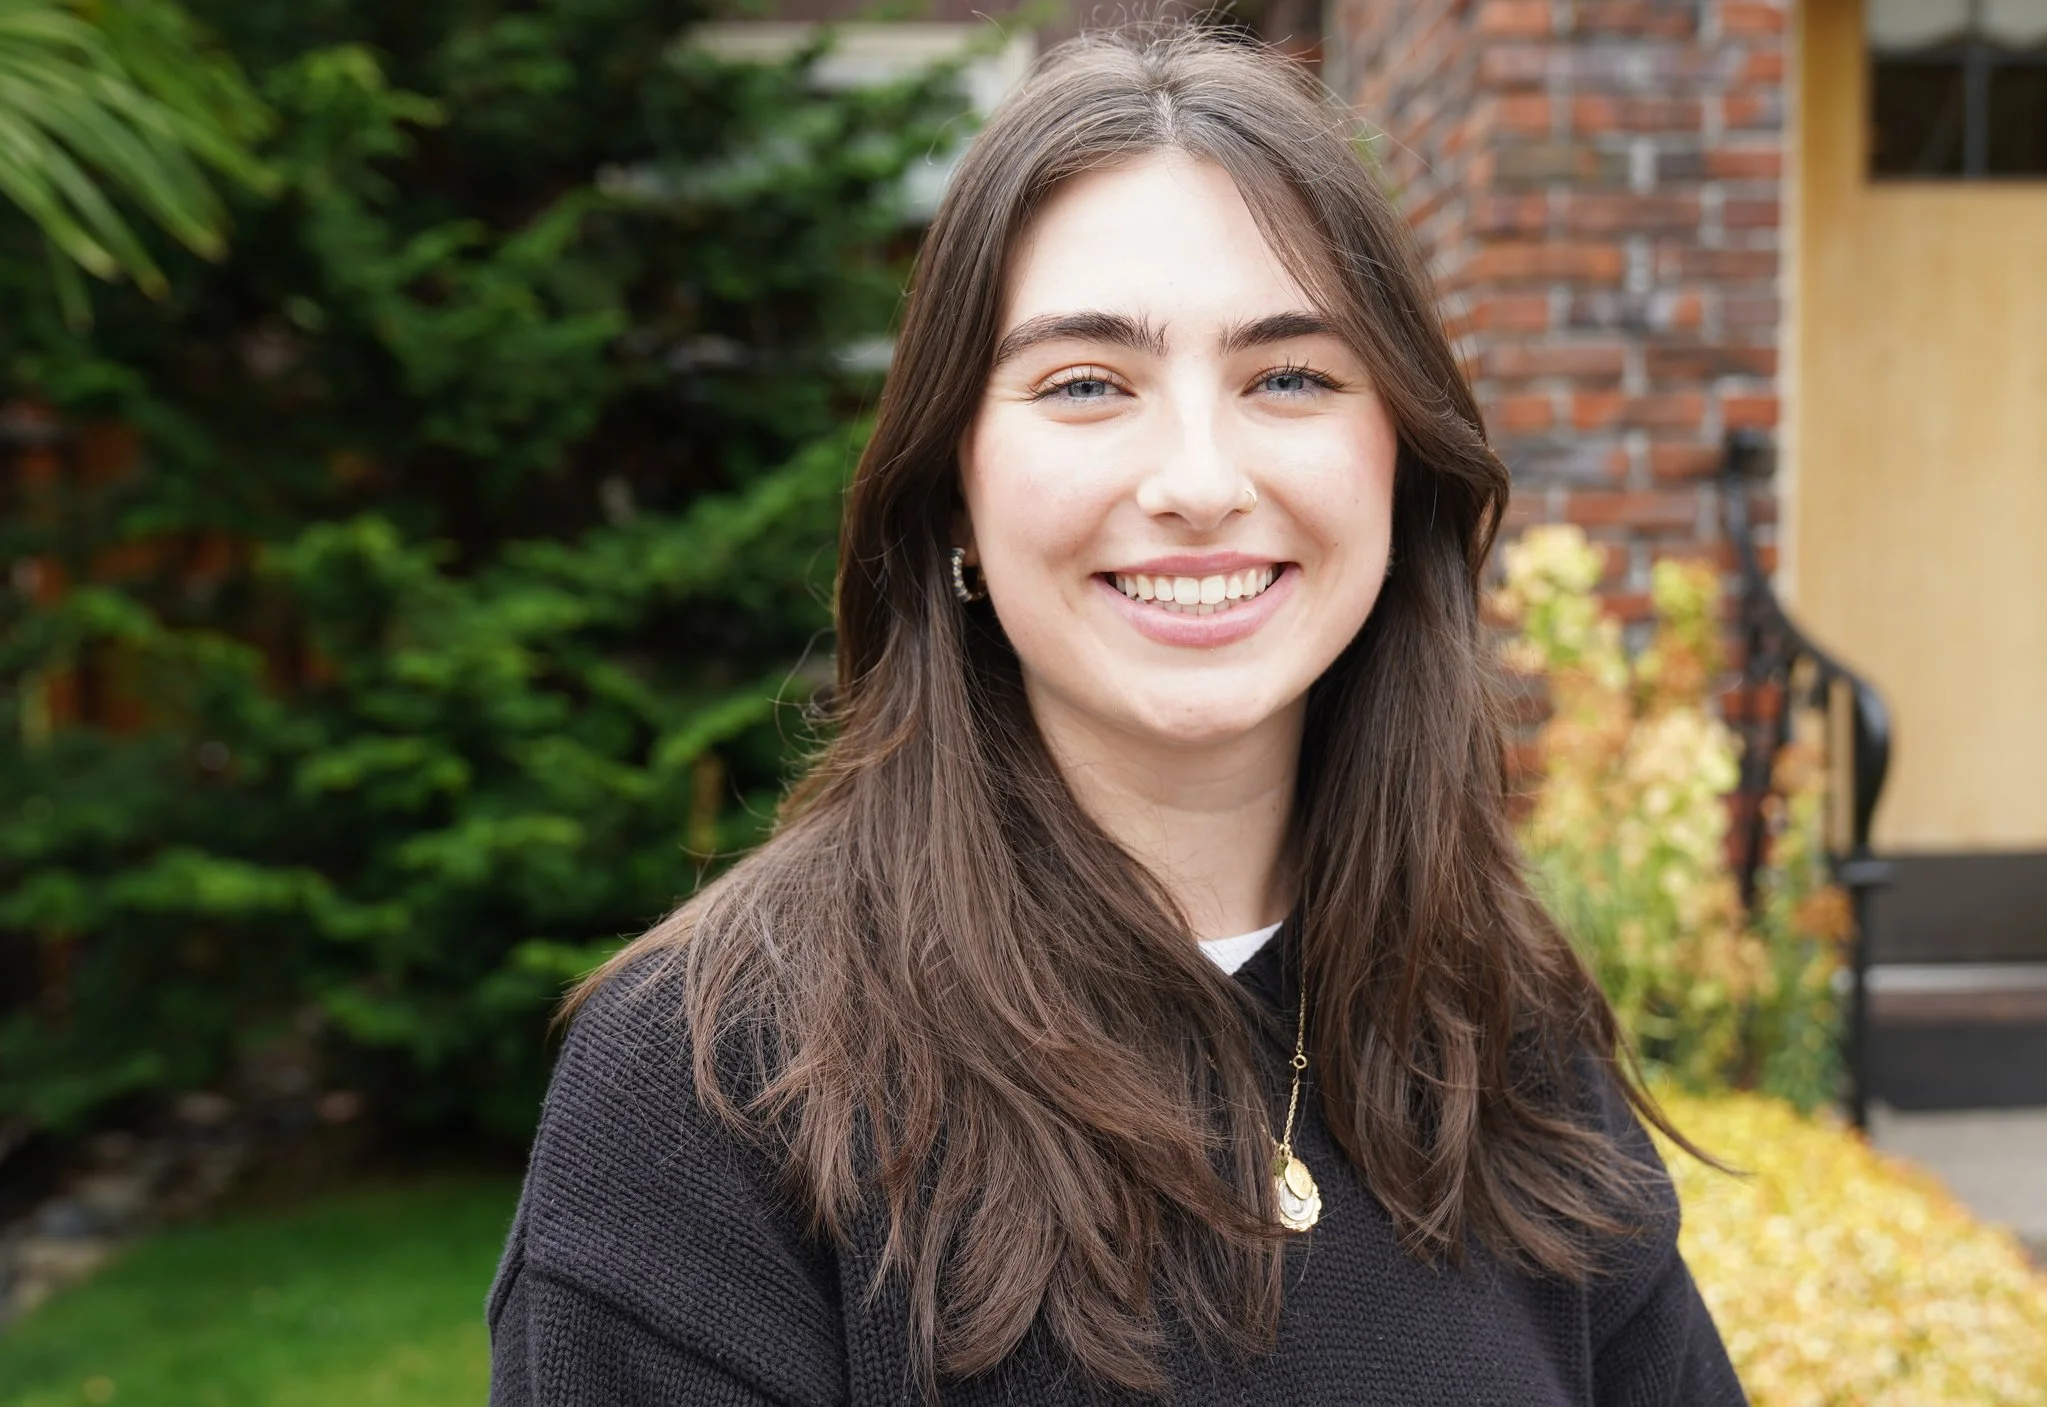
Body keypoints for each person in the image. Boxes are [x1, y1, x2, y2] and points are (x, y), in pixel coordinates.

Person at [487, 25, 1745, 1406]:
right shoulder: (712, 1087)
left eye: (1290, 377)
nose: (1198, 482)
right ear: (953, 489)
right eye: (1086, 383)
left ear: (1399, 462)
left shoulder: (1498, 1031)